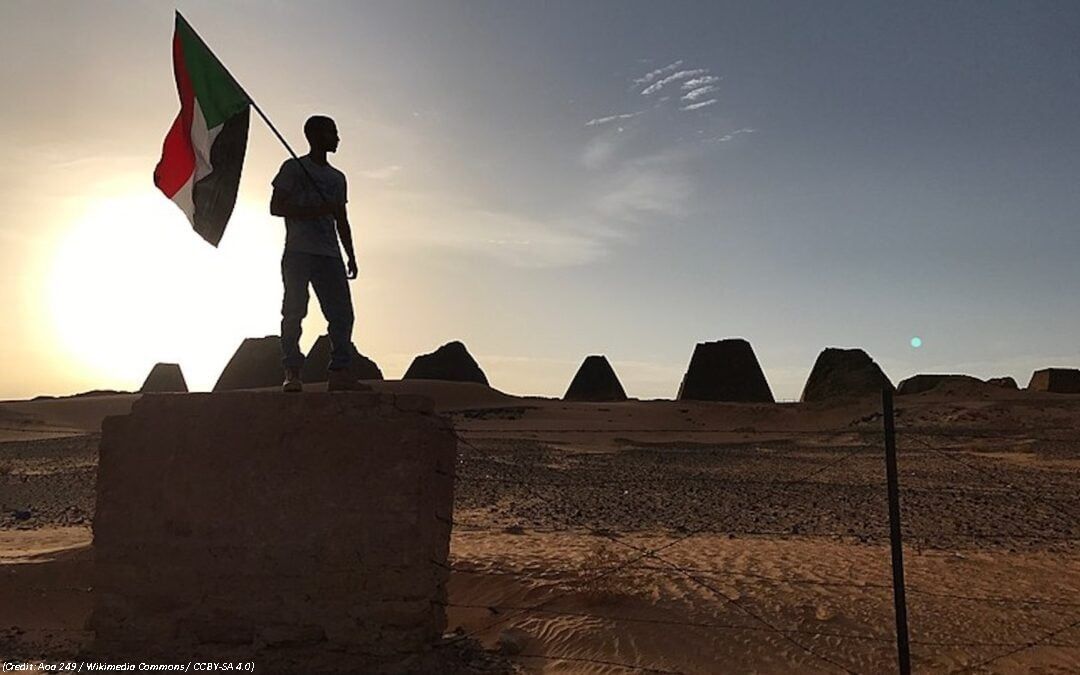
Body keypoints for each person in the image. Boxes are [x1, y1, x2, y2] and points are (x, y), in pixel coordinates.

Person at [270, 115, 365, 392]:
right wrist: (315, 211)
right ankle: (292, 370)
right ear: (315, 135)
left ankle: (340, 371)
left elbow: (341, 219)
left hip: (330, 255)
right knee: (294, 310)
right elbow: (276, 207)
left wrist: (351, 254)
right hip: (299, 252)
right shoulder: (293, 168)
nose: (337, 138)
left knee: (342, 314)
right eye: (332, 132)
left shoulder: (338, 178)